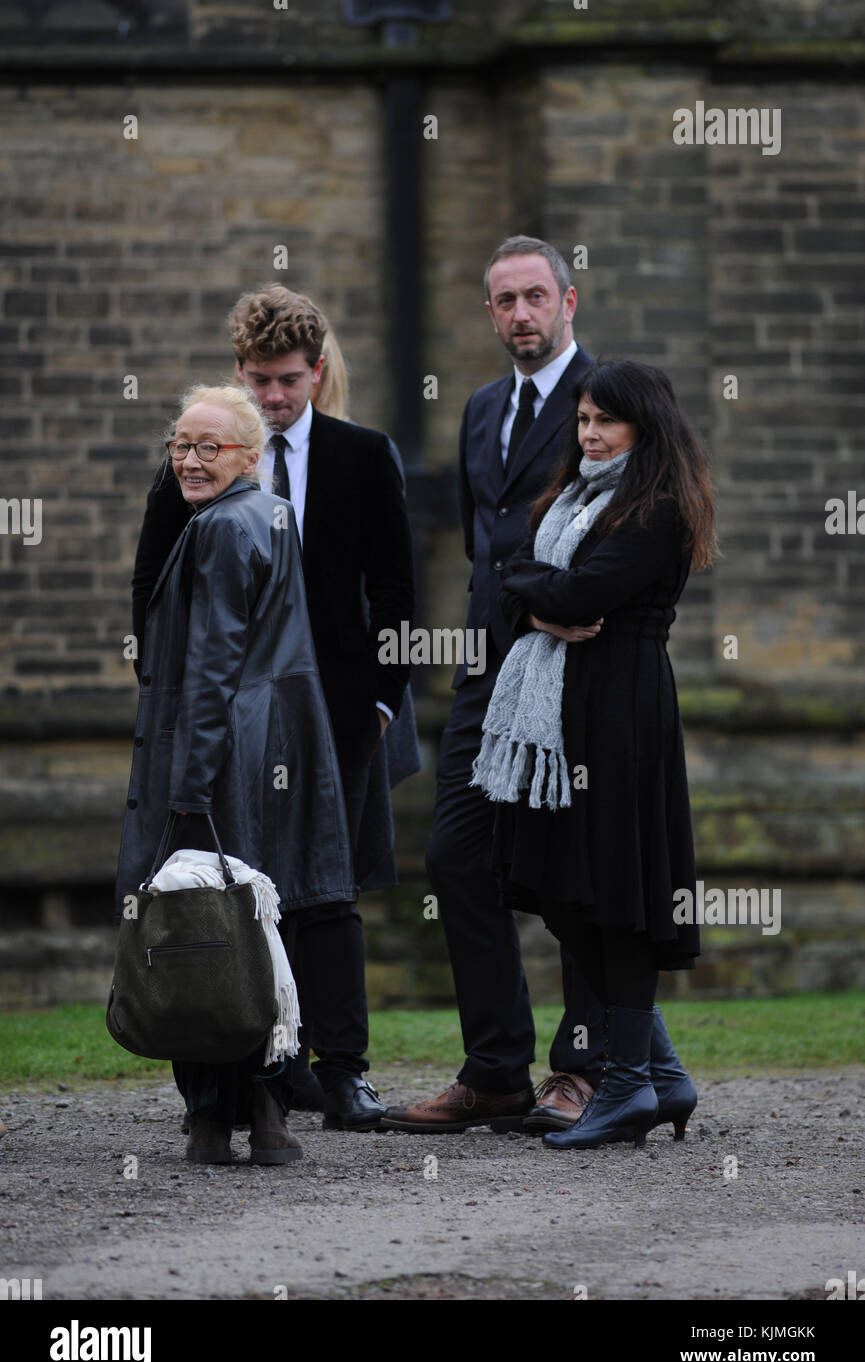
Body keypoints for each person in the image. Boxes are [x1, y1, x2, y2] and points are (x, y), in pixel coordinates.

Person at [130, 287, 415, 1131]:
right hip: (226, 714)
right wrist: (166, 689)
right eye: (257, 379)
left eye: (288, 380)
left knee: (328, 888)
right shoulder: (195, 461)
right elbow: (151, 586)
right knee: (238, 879)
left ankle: (347, 1069)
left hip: (336, 712)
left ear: (316, 372)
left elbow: (396, 588)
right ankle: (267, 1067)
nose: (272, 397)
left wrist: (381, 700)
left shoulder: (363, 456)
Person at [472, 358, 717, 1149]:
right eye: (581, 420)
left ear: (643, 428)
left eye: (604, 421)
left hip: (619, 712)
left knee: (615, 889)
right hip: (560, 713)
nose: (588, 433)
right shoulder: (570, 499)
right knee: (563, 889)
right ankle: (658, 1071)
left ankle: (624, 1086)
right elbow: (524, 581)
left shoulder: (658, 508)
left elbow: (576, 594)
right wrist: (531, 587)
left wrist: (531, 586)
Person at [384, 236, 595, 1134]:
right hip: (486, 672)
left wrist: (563, 605)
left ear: (567, 302)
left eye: (534, 297)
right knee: (455, 858)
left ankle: (582, 1070)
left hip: (575, 670)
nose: (520, 315)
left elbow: (632, 526)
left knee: (576, 872)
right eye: (504, 301)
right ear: (489, 312)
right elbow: (484, 544)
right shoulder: (477, 409)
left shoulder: (609, 399)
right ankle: (496, 1071)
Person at [115, 385, 356, 1164]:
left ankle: (216, 1112)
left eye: (208, 447)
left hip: (217, 751)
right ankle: (267, 1108)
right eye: (178, 445)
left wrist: (188, 791)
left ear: (251, 456)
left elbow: (213, 665)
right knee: (257, 923)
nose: (188, 459)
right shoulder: (271, 512)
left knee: (198, 919)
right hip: (273, 747)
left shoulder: (220, 528)